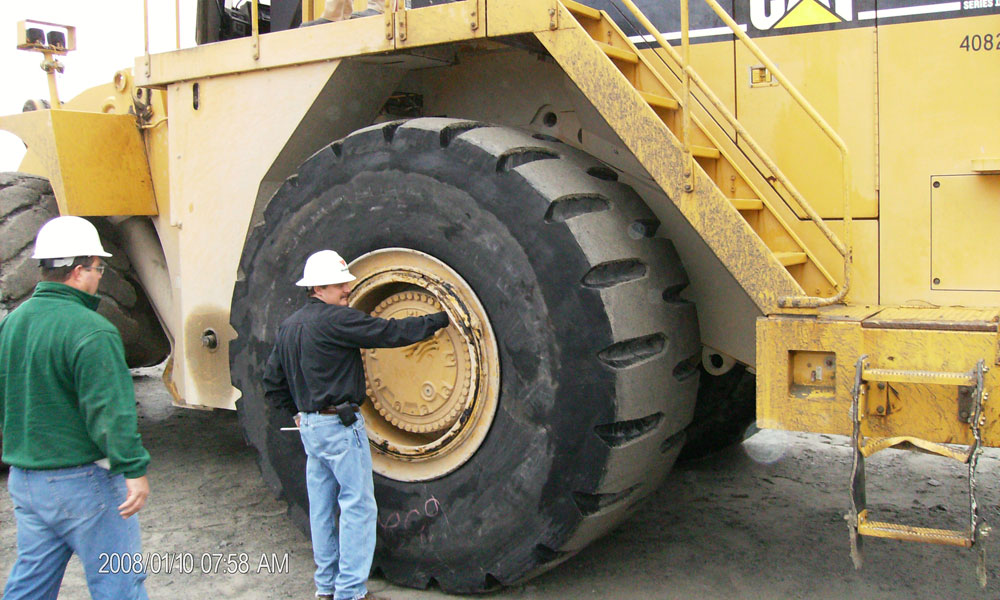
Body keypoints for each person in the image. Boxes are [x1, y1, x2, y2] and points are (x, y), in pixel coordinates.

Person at [263, 250, 449, 600]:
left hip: (311, 430)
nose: (347, 289)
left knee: (321, 510)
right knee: (357, 508)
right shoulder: (336, 320)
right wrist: (439, 319)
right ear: (318, 288)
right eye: (340, 285)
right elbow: (390, 332)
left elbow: (272, 382)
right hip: (340, 427)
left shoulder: (288, 327)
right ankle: (349, 592)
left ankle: (325, 588)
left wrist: (298, 414)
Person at [0, 216, 151, 600]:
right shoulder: (92, 330)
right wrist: (132, 468)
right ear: (80, 269)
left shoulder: (13, 323)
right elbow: (110, 410)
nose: (100, 276)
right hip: (83, 484)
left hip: (27, 480)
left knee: (30, 586)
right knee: (120, 585)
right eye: (99, 268)